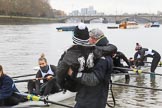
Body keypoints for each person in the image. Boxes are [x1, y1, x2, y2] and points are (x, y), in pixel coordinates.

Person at [56, 24, 116, 108]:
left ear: (95, 39)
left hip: (92, 101)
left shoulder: (102, 57)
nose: (88, 40)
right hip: (86, 97)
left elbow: (93, 79)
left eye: (89, 37)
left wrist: (73, 74)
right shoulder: (97, 52)